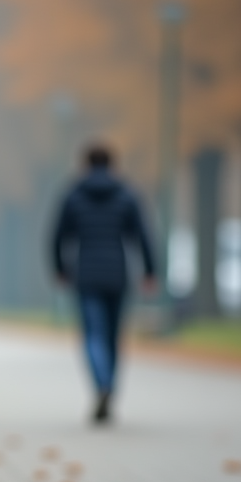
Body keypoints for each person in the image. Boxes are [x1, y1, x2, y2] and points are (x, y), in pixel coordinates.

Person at [51, 142, 156, 424]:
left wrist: (59, 268)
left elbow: (58, 236)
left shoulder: (73, 194)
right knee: (112, 337)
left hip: (85, 274)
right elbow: (142, 235)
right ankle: (110, 387)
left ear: (85, 164)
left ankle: (101, 385)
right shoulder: (126, 194)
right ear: (112, 164)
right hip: (117, 273)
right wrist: (150, 271)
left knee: (93, 335)